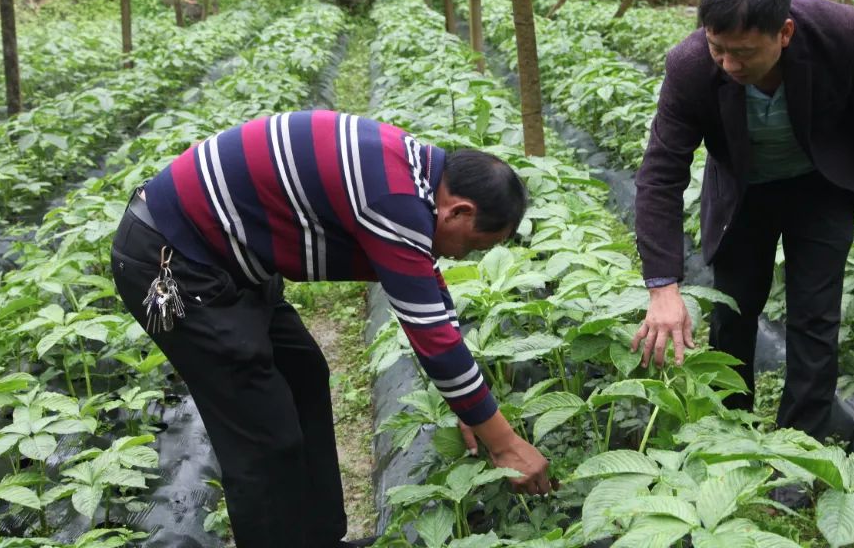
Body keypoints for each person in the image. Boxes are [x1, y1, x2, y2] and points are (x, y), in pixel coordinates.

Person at [110, 110, 552, 548]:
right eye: (475, 245)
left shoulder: (416, 175)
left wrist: (470, 409)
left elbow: (433, 294)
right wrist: (505, 442)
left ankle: (317, 540)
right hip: (174, 262)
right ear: (458, 211)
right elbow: (433, 339)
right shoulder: (395, 202)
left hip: (226, 260)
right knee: (264, 432)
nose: (464, 257)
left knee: (303, 374)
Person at [631, 0, 854, 438]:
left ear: (785, 33)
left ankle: (801, 442)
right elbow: (660, 174)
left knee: (815, 316)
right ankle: (729, 424)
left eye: (744, 53)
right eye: (719, 48)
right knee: (735, 307)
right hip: (743, 191)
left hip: (821, 184)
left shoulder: (842, 36)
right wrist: (662, 285)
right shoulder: (691, 65)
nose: (729, 65)